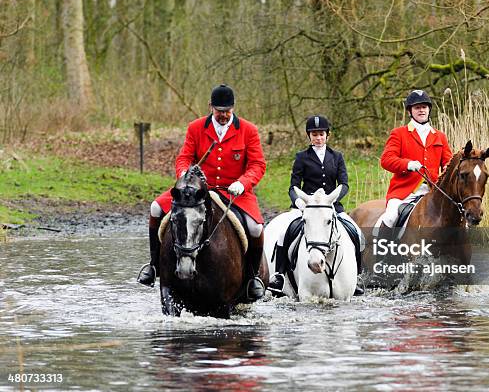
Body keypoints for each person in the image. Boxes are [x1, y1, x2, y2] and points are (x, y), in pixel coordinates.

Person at [137, 84, 267, 300]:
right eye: (219, 111)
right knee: (155, 208)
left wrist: (243, 183)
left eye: (227, 111)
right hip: (196, 191)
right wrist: (185, 174)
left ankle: (253, 277)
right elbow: (184, 157)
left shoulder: (248, 130)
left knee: (255, 228)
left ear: (233, 109)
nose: (224, 115)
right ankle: (154, 267)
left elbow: (257, 165)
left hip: (233, 192)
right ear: (210, 107)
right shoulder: (196, 127)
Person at [268, 115, 365, 296]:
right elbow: (293, 186)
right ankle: (279, 275)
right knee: (283, 233)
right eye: (314, 135)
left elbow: (344, 184)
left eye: (321, 134)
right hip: (307, 206)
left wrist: (331, 199)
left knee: (356, 233)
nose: (318, 138)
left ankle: (357, 276)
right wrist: (299, 202)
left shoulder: (337, 157)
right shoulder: (301, 157)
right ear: (309, 136)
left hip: (330, 206)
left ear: (327, 135)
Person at [379, 90, 453, 236]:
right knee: (390, 217)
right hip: (404, 192)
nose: (421, 110)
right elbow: (386, 160)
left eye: (424, 107)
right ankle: (383, 254)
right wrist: (407, 164)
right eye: (417, 107)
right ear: (410, 111)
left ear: (429, 109)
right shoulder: (399, 133)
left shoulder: (439, 136)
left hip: (433, 191)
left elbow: (448, 164)